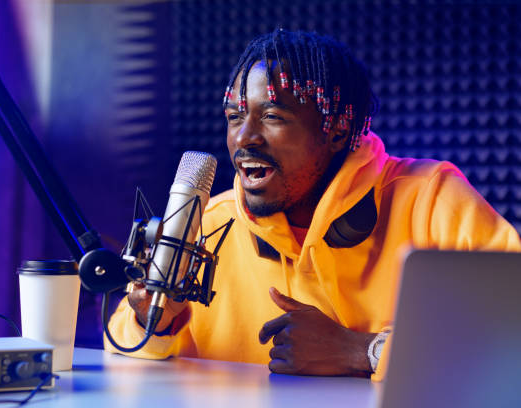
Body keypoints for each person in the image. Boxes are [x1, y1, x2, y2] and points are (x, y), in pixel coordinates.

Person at [106, 29, 521, 380]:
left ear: (337, 128)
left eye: (272, 116)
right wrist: (151, 317)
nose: (244, 137)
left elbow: (509, 339)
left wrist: (363, 352)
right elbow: (125, 361)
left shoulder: (431, 198)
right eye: (235, 116)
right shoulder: (208, 223)